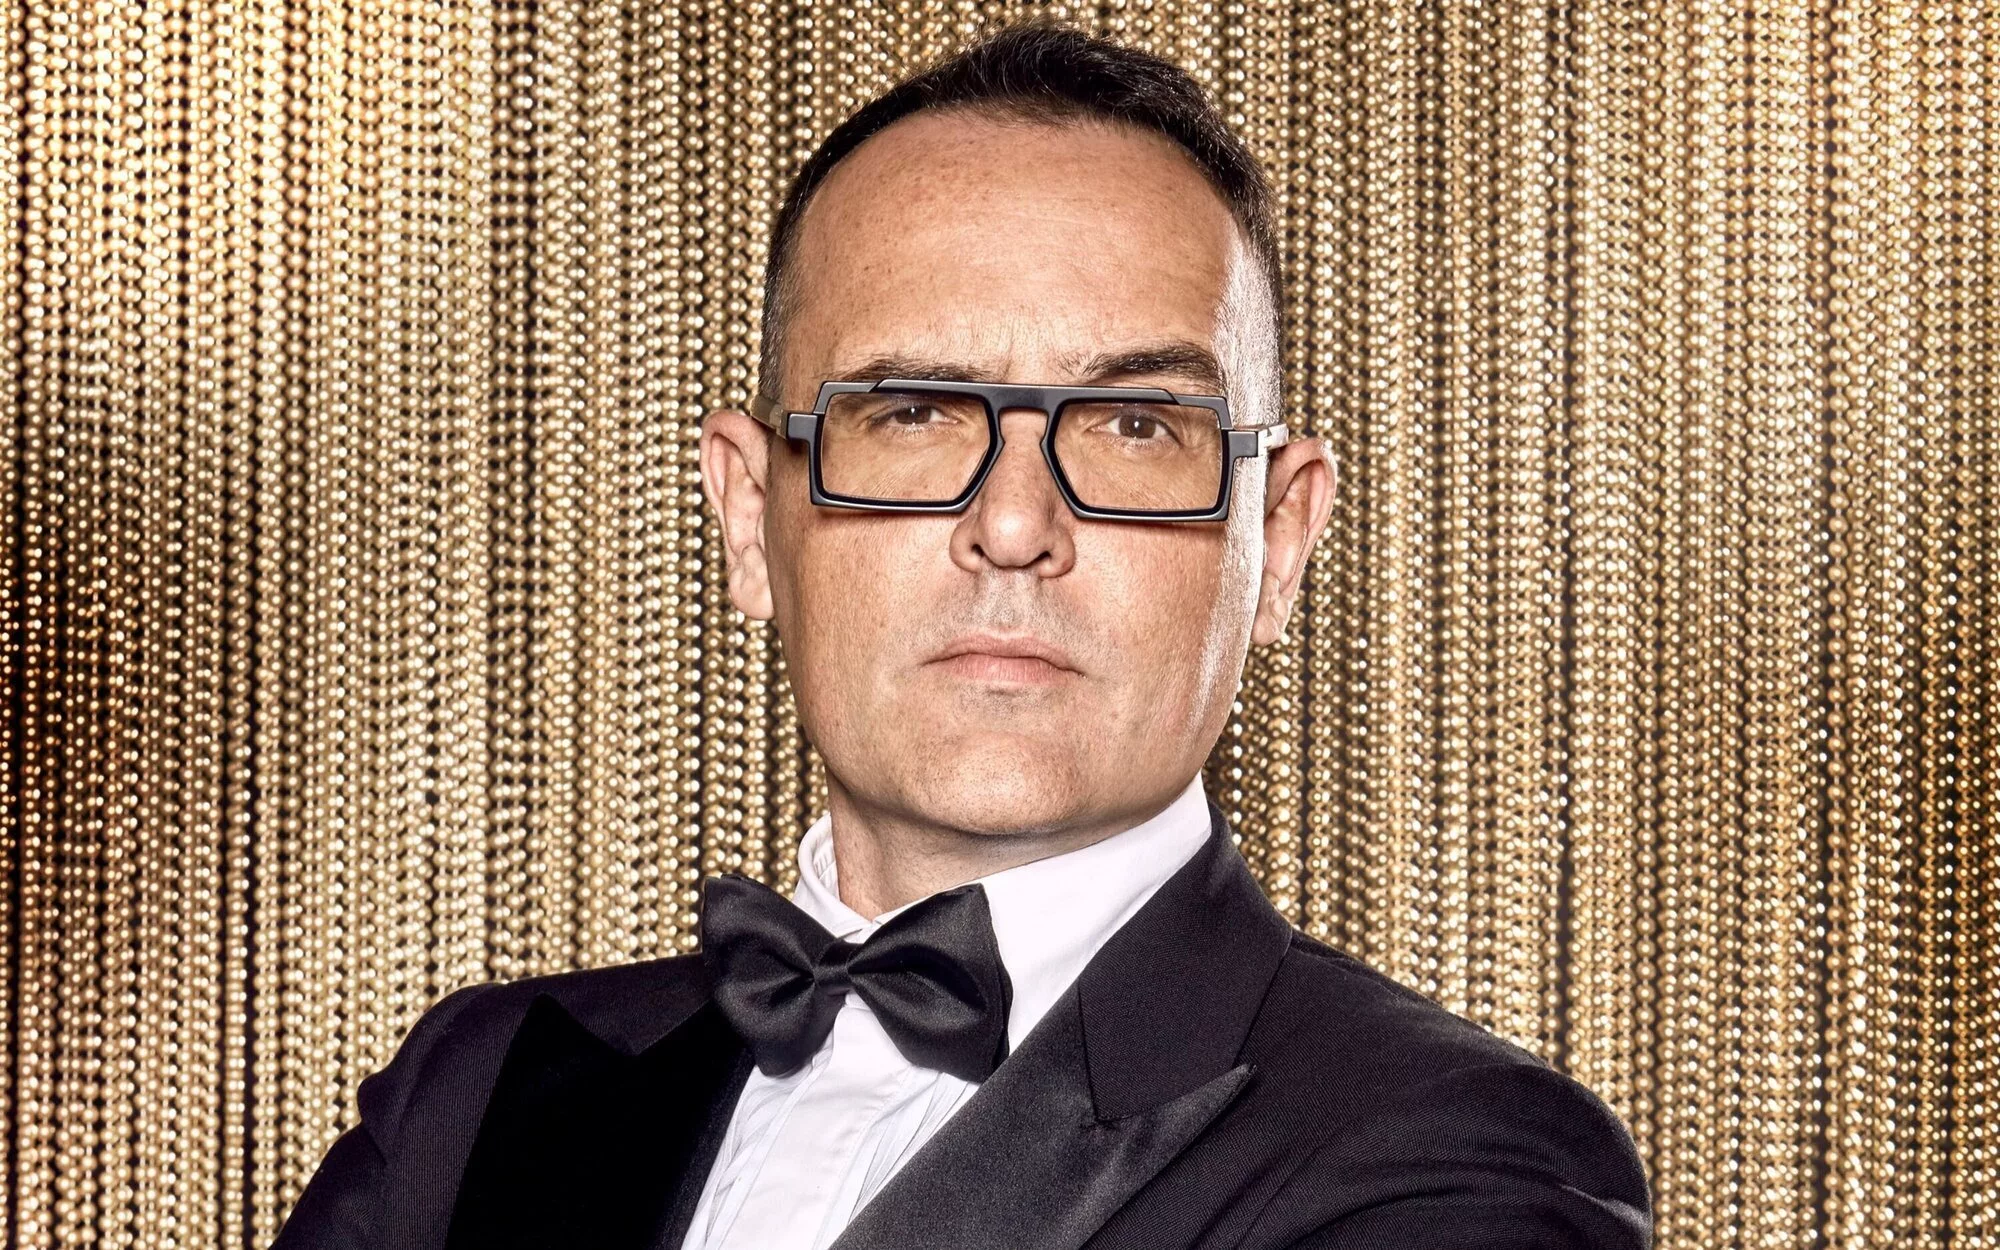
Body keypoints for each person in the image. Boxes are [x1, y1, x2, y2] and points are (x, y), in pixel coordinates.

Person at [273, 24, 1652, 1250]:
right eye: (913, 414)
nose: (1012, 524)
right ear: (750, 519)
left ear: (1276, 543)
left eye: (1135, 427)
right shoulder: (477, 1089)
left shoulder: (1457, 1161)